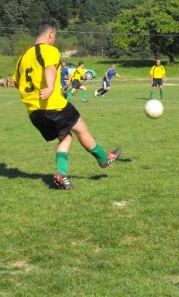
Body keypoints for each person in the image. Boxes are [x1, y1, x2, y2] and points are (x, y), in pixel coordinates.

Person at [13, 22, 121, 190]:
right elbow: (49, 68)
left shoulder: (23, 57)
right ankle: (103, 159)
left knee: (66, 137)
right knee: (82, 128)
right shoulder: (49, 50)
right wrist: (49, 87)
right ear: (50, 35)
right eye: (54, 36)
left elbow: (16, 82)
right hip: (53, 105)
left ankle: (61, 174)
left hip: (34, 112)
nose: (54, 40)